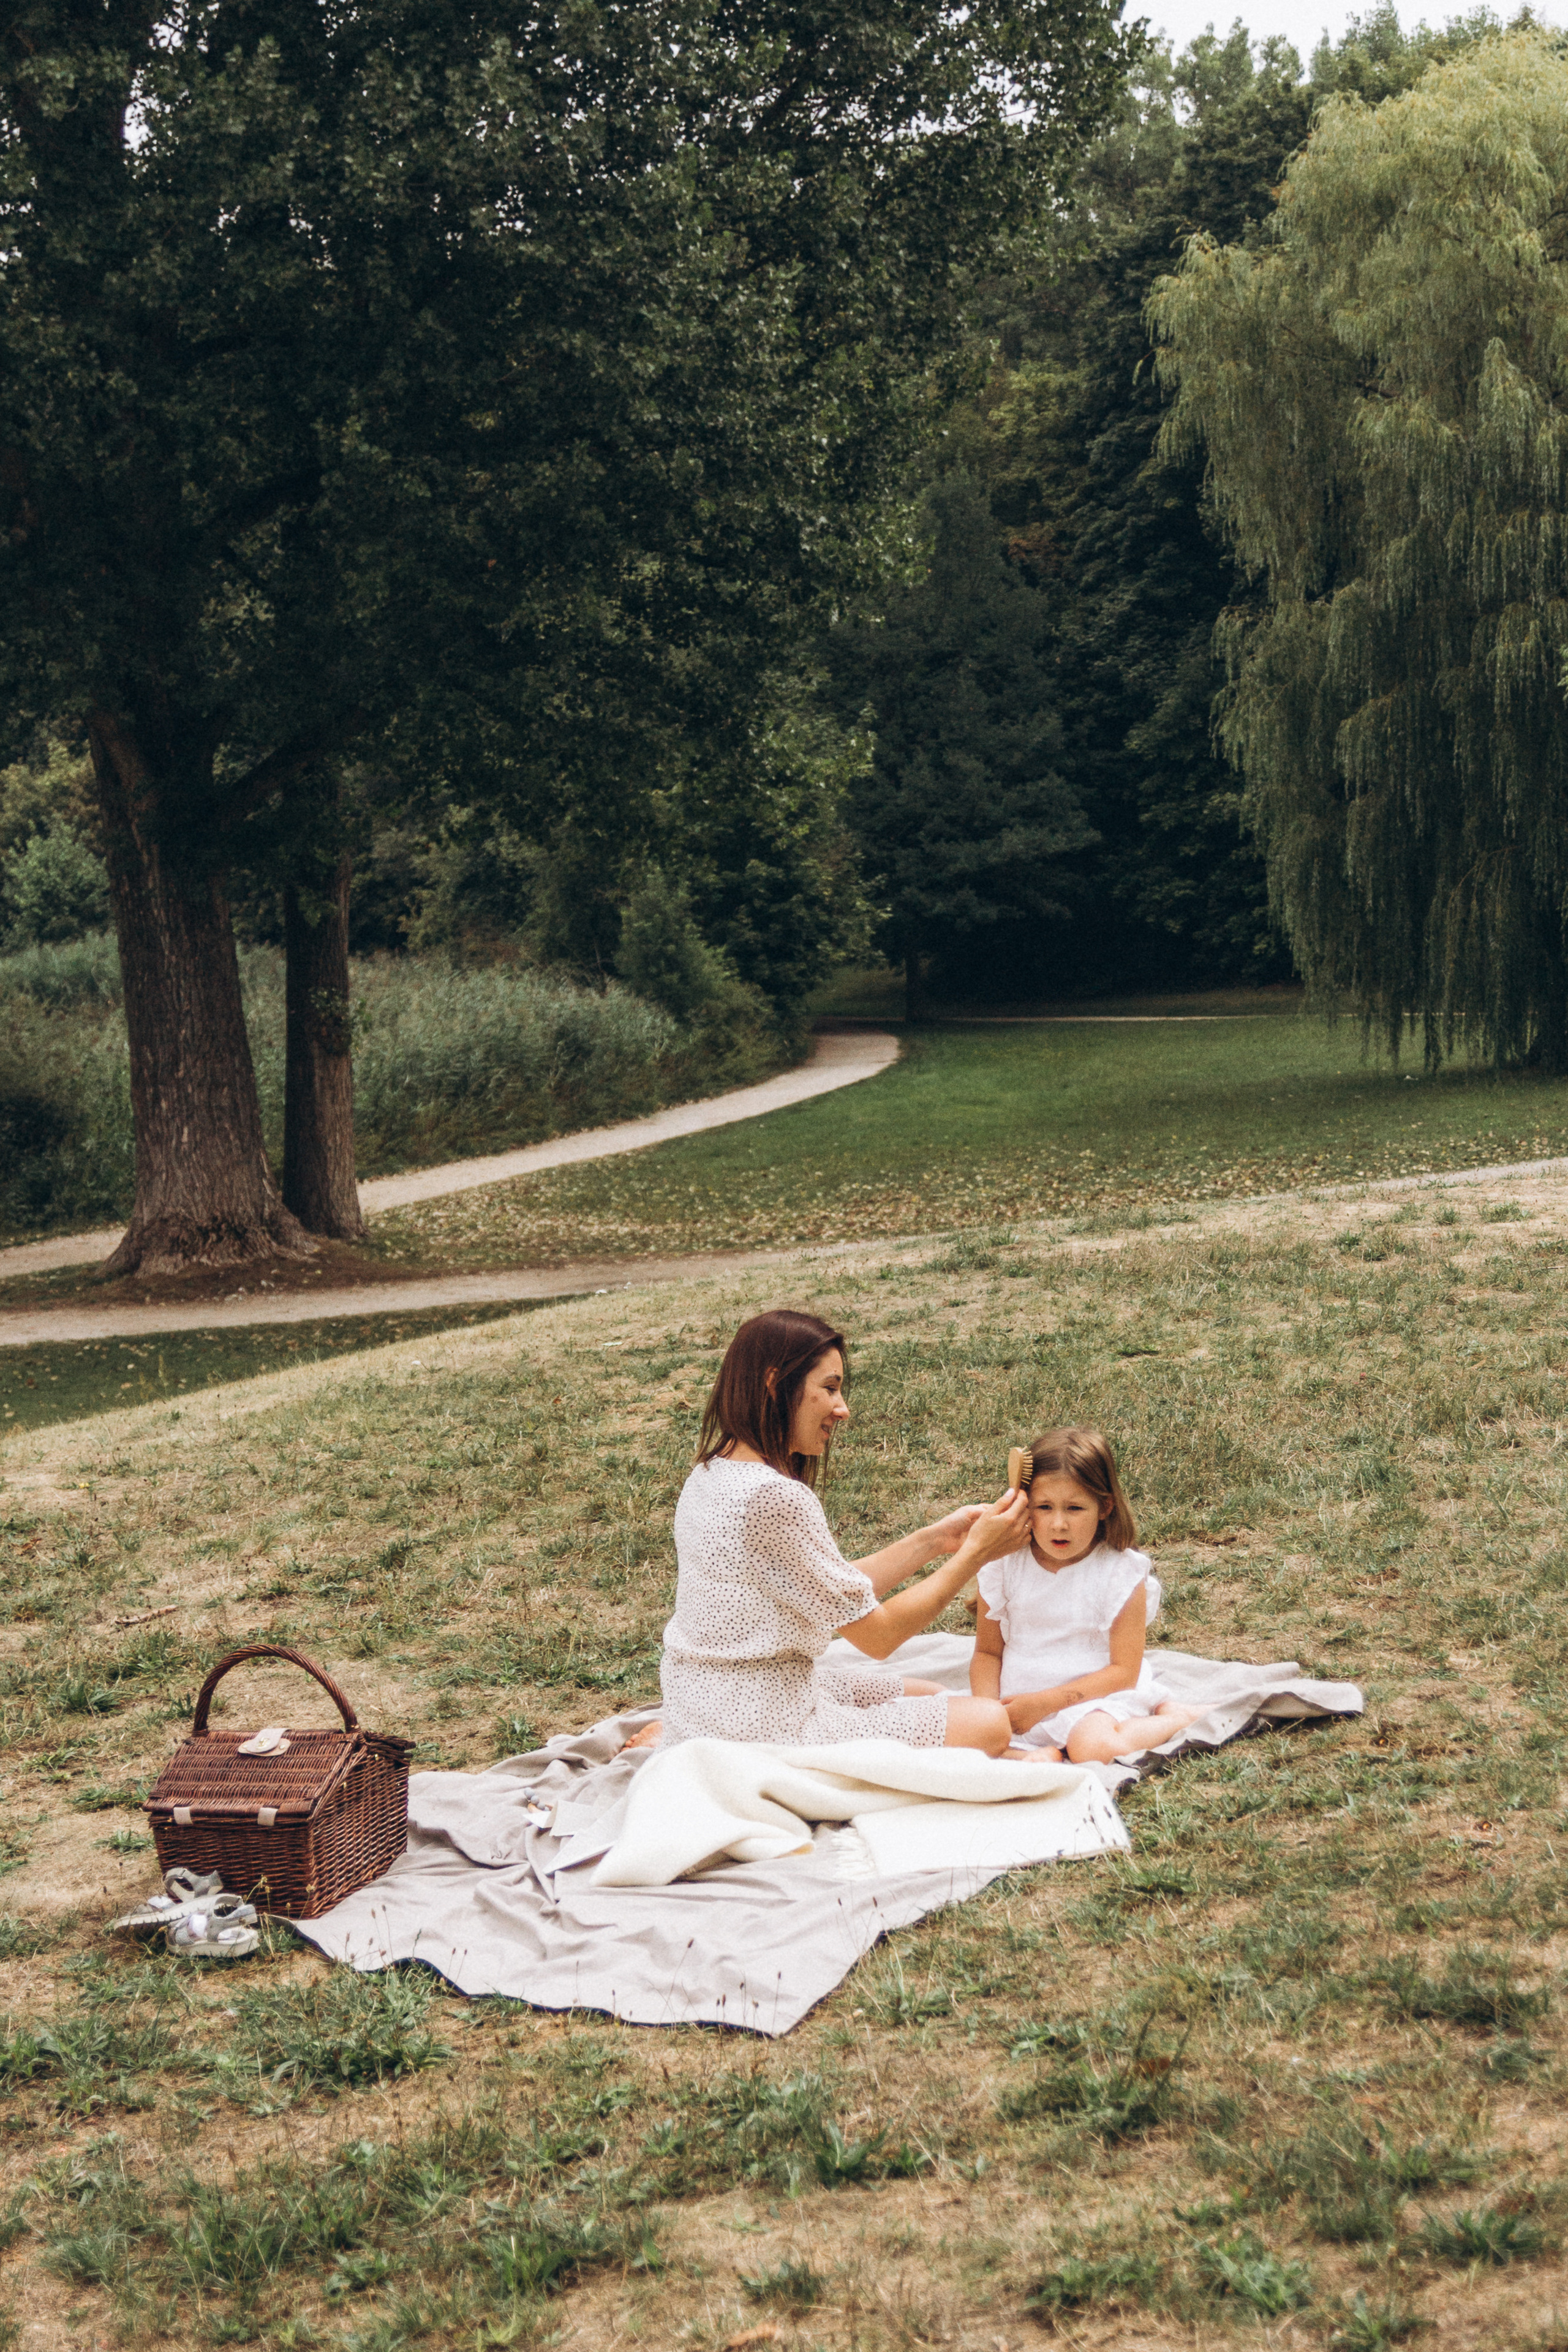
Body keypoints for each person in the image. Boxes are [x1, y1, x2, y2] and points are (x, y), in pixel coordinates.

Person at [650, 1308, 1027, 1754]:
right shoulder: (774, 1499)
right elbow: (879, 1638)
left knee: (929, 1691)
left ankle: (673, 1737)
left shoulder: (711, 1473)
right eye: (830, 1388)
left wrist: (938, 1540)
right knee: (989, 1723)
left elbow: (827, 1587)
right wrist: (975, 1554)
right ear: (775, 1383)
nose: (842, 1409)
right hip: (760, 1729)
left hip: (708, 1704)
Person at [970, 1427, 1208, 1763]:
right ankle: (1035, 1755)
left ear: (1105, 1506)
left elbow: (1124, 1671)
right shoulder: (1003, 1565)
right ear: (1024, 1505)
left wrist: (1044, 1704)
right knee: (964, 1736)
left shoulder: (1120, 1572)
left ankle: (1175, 1718)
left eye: (1075, 1508)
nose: (1059, 1524)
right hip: (1018, 1704)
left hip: (1095, 1698)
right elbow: (987, 1653)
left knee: (1092, 1748)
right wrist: (988, 1712)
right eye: (1044, 1507)